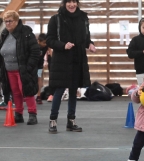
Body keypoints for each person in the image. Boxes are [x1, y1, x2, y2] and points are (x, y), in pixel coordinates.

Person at [46, 0, 96, 133]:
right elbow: (49, 40)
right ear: (64, 3)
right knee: (59, 91)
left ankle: (71, 121)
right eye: (69, 2)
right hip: (61, 60)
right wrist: (63, 45)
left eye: (74, 1)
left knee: (74, 91)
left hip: (77, 59)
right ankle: (53, 121)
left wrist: (90, 44)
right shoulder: (55, 19)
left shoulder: (83, 18)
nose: (72, 5)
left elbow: (86, 38)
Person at [0, 10, 39, 125]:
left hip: (23, 69)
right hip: (9, 69)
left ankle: (32, 114)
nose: (7, 24)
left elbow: (35, 51)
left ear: (16, 21)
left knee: (27, 91)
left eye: (10, 21)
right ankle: (18, 114)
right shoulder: (4, 34)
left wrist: (29, 67)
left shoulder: (26, 32)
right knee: (15, 93)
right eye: (5, 21)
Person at [36, 33, 48, 104]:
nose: (45, 44)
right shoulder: (35, 46)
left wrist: (47, 61)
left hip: (39, 65)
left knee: (39, 79)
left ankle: (38, 96)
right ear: (39, 41)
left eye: (46, 43)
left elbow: (50, 52)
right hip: (32, 65)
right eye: (44, 43)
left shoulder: (46, 46)